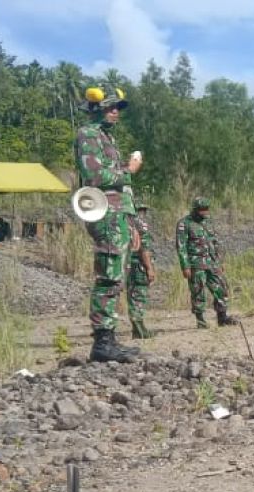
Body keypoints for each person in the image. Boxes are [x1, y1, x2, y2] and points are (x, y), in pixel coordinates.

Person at [75, 84, 142, 363]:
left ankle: (109, 339)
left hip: (118, 216)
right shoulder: (88, 134)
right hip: (105, 215)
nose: (116, 112)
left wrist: (131, 220)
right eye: (111, 107)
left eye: (118, 108)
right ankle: (102, 343)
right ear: (97, 108)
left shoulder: (105, 137)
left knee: (116, 277)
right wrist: (129, 170)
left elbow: (118, 190)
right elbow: (94, 176)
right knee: (108, 276)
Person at [176, 197, 235, 329]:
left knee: (222, 287)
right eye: (202, 210)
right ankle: (201, 320)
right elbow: (181, 247)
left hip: (212, 263)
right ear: (195, 209)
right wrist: (185, 266)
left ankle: (222, 317)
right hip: (196, 264)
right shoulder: (184, 223)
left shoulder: (208, 222)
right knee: (198, 291)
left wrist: (219, 262)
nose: (205, 212)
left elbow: (216, 242)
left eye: (206, 209)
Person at [126, 200, 157, 339]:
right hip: (139, 265)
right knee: (138, 297)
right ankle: (139, 330)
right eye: (142, 210)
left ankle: (137, 329)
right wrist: (149, 268)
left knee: (133, 296)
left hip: (129, 265)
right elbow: (144, 249)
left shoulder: (126, 224)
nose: (143, 213)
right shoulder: (140, 224)